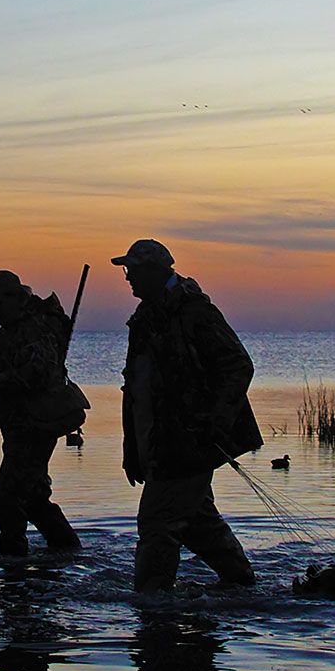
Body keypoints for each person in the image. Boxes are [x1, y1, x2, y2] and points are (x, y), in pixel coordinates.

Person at [114, 239, 260, 592]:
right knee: (196, 521)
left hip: (188, 442)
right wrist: (132, 451)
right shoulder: (146, 317)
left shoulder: (195, 311)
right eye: (126, 269)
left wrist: (215, 422)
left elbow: (238, 366)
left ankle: (152, 608)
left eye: (132, 269)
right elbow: (137, 391)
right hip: (160, 445)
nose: (128, 277)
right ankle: (241, 583)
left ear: (154, 271)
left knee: (156, 524)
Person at [0, 270, 88, 555]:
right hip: (18, 425)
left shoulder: (36, 327)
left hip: (36, 425)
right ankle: (66, 551)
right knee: (33, 498)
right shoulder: (8, 333)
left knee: (6, 499)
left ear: (13, 298)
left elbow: (37, 374)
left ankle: (13, 564)